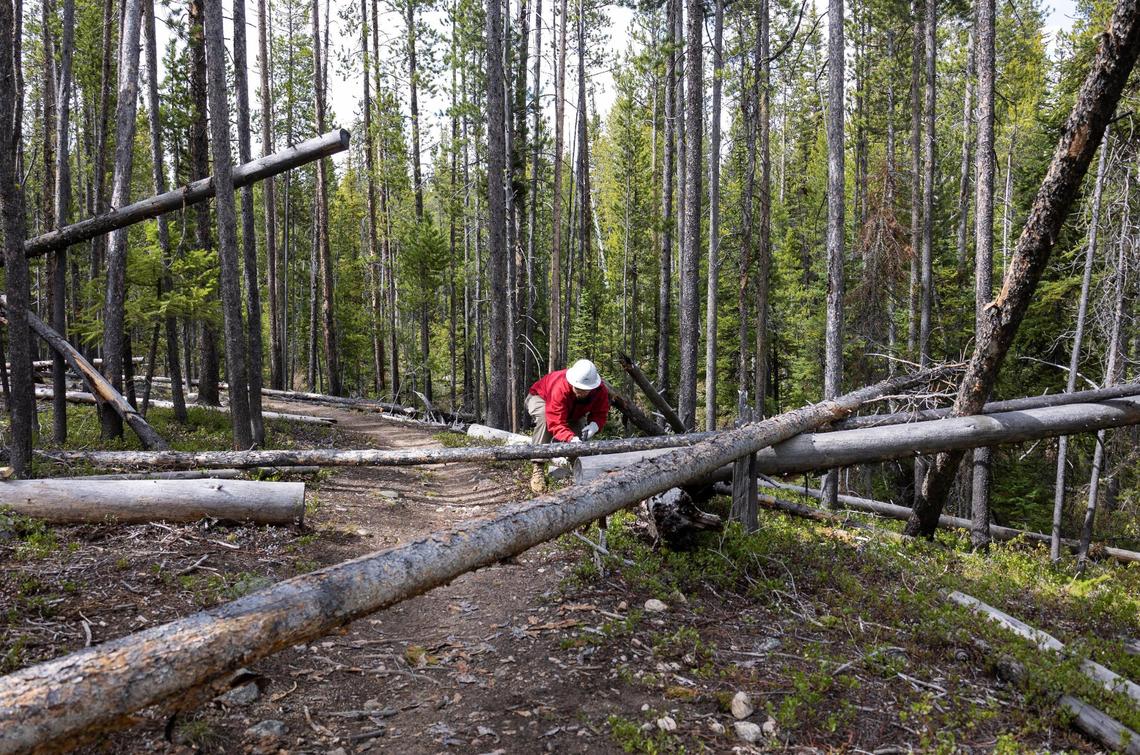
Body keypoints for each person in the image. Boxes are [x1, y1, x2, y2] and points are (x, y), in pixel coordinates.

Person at [526, 358, 610, 493]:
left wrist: (595, 425)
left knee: (580, 436)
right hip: (540, 398)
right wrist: (570, 438)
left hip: (571, 411)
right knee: (544, 418)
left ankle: (577, 467)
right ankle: (538, 467)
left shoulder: (600, 391)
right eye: (578, 388)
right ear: (572, 382)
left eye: (585, 390)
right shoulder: (560, 387)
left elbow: (601, 413)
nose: (580, 392)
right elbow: (555, 421)